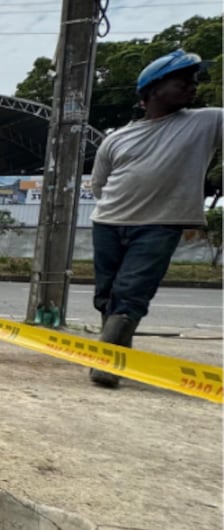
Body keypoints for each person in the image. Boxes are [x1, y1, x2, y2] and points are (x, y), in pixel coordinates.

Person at [88, 49, 222, 388]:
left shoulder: (207, 122)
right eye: (182, 81)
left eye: (193, 82)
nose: (192, 87)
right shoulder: (117, 138)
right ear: (151, 90)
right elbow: (100, 183)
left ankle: (102, 363)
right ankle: (119, 361)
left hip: (160, 225)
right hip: (108, 223)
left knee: (131, 294)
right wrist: (118, 208)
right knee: (107, 297)